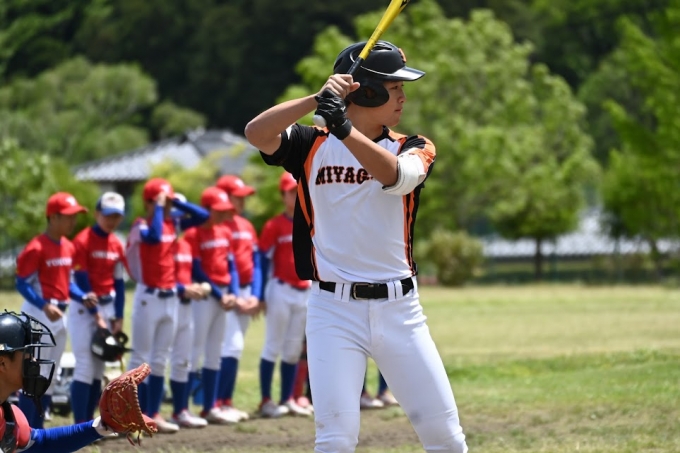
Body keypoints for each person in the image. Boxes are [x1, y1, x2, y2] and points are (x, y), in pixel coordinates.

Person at [244, 40, 468, 452]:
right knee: (335, 440)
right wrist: (318, 98)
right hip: (333, 311)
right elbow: (256, 133)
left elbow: (398, 177)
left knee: (446, 439)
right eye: (393, 87)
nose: (402, 97)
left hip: (400, 311)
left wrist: (344, 128)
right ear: (365, 92)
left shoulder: (413, 146)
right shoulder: (311, 144)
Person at [125, 178, 208, 433]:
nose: (168, 206)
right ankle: (130, 415)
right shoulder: (141, 225)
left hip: (170, 297)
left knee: (159, 360)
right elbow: (153, 237)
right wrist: (160, 207)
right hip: (148, 297)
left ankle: (152, 413)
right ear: (149, 203)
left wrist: (176, 203)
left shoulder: (173, 223)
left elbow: (203, 216)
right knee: (140, 358)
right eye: (162, 201)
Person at [14, 192, 94, 429]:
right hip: (38, 314)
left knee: (50, 375)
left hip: (59, 314)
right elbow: (21, 283)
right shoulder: (36, 247)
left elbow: (67, 282)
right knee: (33, 375)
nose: (73, 221)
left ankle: (37, 431)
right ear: (53, 217)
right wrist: (43, 305)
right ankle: (24, 433)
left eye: (75, 216)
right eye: (68, 216)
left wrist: (82, 296)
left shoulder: (68, 247)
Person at [0, 311, 116, 452]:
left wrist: (99, 427)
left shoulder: (9, 415)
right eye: (28, 354)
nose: (34, 361)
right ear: (2, 363)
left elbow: (41, 443)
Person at [256, 172, 312, 418]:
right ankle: (266, 400)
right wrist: (259, 294)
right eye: (290, 191)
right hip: (280, 289)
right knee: (273, 345)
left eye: (298, 189)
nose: (295, 194)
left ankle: (288, 398)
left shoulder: (310, 221)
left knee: (292, 348)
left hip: (304, 290)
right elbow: (261, 261)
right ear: (282, 196)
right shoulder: (274, 225)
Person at [69, 192, 128, 424]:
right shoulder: (83, 240)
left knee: (98, 367)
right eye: (107, 215)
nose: (111, 220)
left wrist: (119, 316)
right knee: (85, 366)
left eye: (116, 216)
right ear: (97, 214)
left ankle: (89, 424)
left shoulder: (116, 243)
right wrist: (97, 316)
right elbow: (81, 279)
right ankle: (80, 425)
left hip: (107, 306)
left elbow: (119, 283)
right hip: (84, 309)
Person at [184, 187, 240, 424]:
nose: (222, 215)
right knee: (194, 351)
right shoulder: (193, 233)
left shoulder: (224, 231)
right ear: (205, 209)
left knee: (215, 352)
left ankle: (210, 407)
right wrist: (219, 295)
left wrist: (233, 293)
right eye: (217, 210)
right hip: (205, 297)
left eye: (224, 210)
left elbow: (232, 266)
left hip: (223, 296)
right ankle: (182, 408)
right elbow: (197, 270)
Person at [215, 175, 262, 422]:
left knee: (235, 347)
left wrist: (255, 295)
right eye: (238, 197)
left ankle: (226, 402)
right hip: (226, 295)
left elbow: (257, 263)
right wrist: (235, 295)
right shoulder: (218, 227)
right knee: (228, 347)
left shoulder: (246, 225)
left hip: (245, 293)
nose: (243, 201)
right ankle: (217, 402)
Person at [168, 193, 208, 429]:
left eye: (181, 218)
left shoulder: (184, 243)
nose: (179, 221)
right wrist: (184, 288)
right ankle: (149, 411)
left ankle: (180, 411)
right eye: (175, 217)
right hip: (168, 303)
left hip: (186, 305)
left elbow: (202, 215)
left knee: (183, 359)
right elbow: (158, 277)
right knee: (158, 360)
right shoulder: (162, 244)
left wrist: (178, 203)